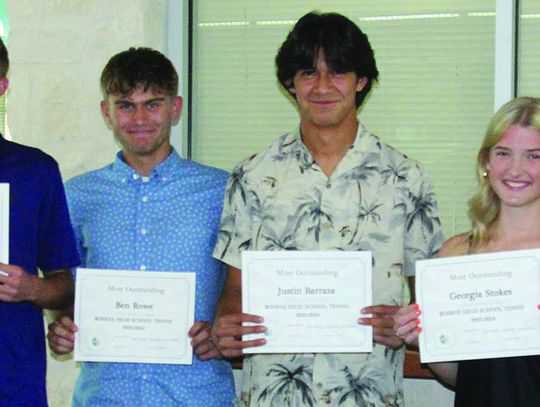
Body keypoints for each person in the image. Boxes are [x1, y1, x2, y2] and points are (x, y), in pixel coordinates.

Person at [211, 11, 444, 406]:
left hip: (367, 393)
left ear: (361, 81)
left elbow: (431, 301)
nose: (322, 87)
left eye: (337, 72)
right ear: (290, 83)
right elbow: (234, 290)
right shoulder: (251, 176)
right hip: (273, 394)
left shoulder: (406, 179)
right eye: (307, 72)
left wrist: (407, 324)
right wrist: (228, 324)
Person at [46, 47, 235, 405]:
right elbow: (65, 287)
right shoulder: (77, 195)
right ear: (106, 112)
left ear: (175, 108)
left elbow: (240, 286)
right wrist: (63, 325)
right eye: (125, 105)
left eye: (153, 104)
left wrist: (221, 330)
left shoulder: (223, 192)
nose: (139, 118)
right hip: (105, 396)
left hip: (196, 395)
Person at [394, 96, 540, 406]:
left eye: (534, 156)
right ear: (486, 162)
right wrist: (427, 341)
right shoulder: (456, 255)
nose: (516, 169)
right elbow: (460, 377)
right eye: (503, 153)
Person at [0, 38, 80, 406]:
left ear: (2, 86)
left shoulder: (36, 171)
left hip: (13, 380)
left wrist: (30, 288)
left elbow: (64, 286)